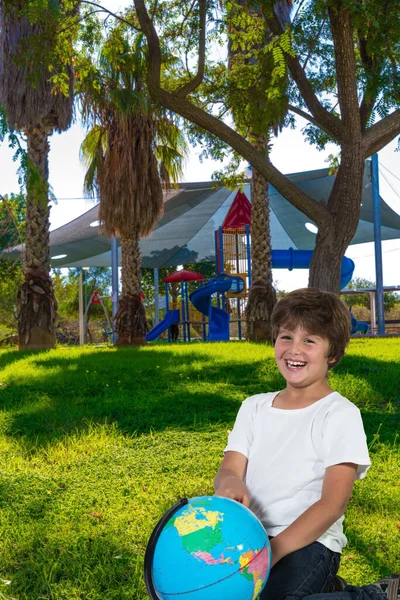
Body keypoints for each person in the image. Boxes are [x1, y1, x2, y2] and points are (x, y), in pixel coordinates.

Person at [214, 288, 386, 600]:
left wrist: (272, 552)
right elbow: (230, 468)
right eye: (286, 337)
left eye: (309, 340)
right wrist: (228, 484)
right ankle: (328, 592)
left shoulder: (340, 414)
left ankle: (373, 596)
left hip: (313, 542)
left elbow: (332, 505)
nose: (294, 349)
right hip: (249, 537)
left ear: (332, 353)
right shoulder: (253, 407)